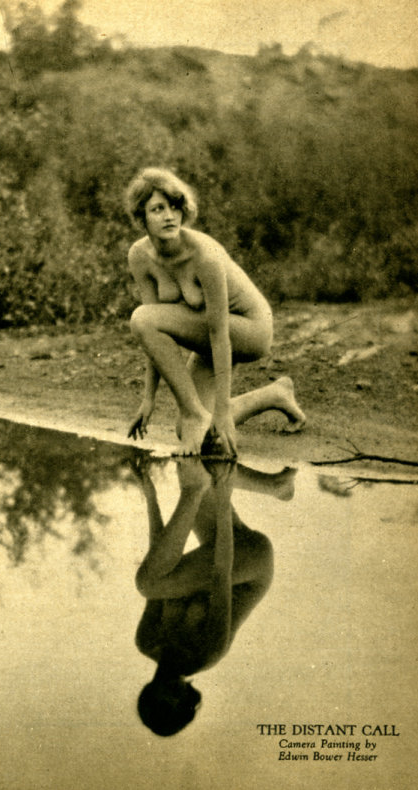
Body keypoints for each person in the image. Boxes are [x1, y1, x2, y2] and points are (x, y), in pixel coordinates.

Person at [124, 167, 306, 456]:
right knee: (187, 430)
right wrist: (148, 400)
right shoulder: (139, 256)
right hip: (209, 331)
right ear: (141, 216)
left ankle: (195, 415)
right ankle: (275, 394)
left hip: (251, 329)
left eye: (175, 207)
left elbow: (218, 333)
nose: (169, 216)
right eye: (157, 209)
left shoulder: (204, 256)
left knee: (142, 318)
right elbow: (152, 339)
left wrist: (222, 412)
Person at [132, 457, 277, 736]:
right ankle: (199, 489)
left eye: (159, 701)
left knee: (195, 465)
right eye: (175, 702)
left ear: (148, 694)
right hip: (252, 566)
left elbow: (160, 561)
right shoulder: (207, 653)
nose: (168, 693)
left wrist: (150, 497)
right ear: (185, 701)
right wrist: (223, 501)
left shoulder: (147, 640)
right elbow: (221, 575)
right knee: (147, 584)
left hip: (221, 554)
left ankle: (277, 486)